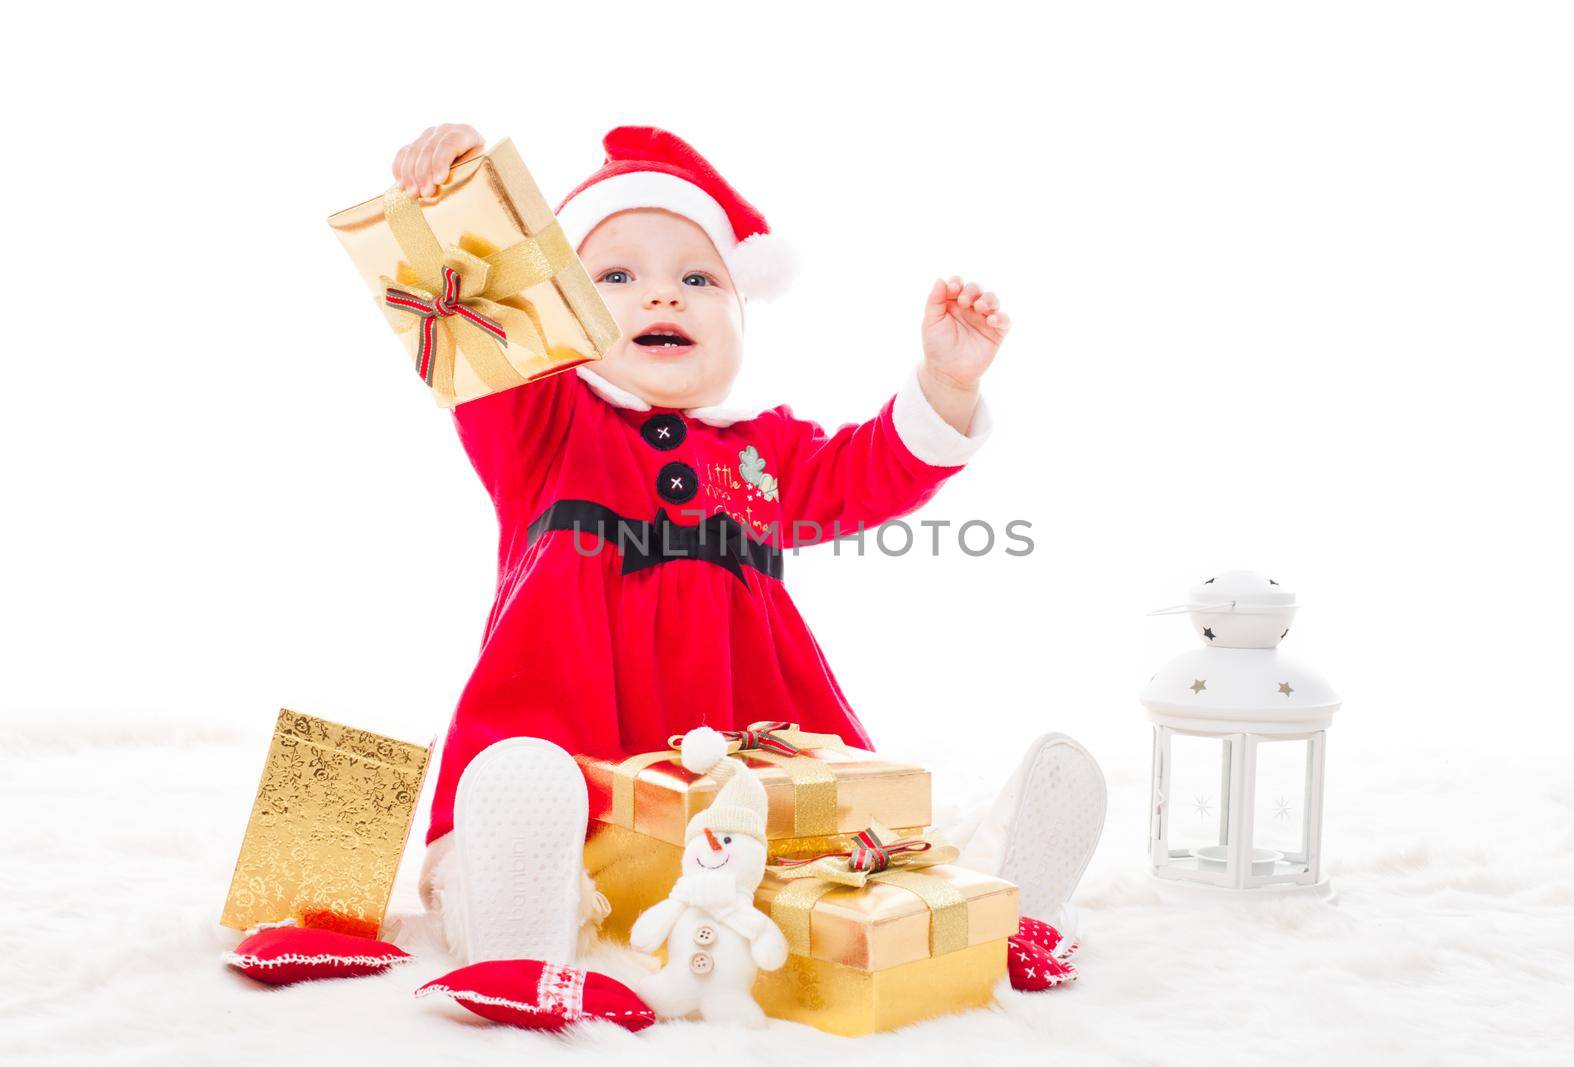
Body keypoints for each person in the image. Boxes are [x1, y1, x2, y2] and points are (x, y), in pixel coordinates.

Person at [385, 123, 1106, 965]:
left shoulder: (763, 454)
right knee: (531, 804)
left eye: (698, 278)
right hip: (577, 766)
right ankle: (513, 918)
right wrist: (458, 204)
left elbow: (867, 472)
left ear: (740, 316)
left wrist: (945, 384)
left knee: (826, 865)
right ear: (566, 314)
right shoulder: (545, 426)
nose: (663, 297)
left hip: (748, 792)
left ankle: (981, 894)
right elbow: (482, 339)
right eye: (615, 276)